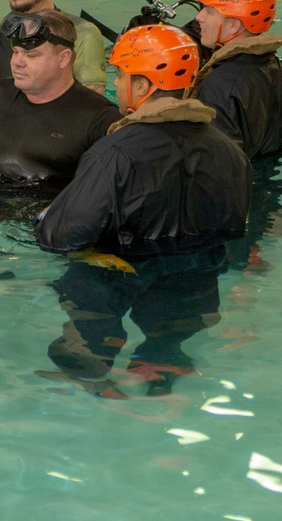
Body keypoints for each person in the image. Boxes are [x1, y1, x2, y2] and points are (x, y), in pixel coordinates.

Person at [35, 24, 251, 395]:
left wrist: (49, 215)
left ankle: (88, 375)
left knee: (88, 336)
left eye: (121, 76)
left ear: (143, 86)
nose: (116, 85)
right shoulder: (230, 151)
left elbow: (61, 236)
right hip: (197, 277)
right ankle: (162, 378)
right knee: (169, 342)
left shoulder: (116, 152)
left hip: (118, 275)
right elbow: (234, 227)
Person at [0, 10, 118, 192]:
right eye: (15, 52)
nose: (17, 62)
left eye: (32, 55)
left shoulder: (101, 119)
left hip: (41, 215)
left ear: (64, 58)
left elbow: (103, 191)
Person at [191, 0, 282, 161]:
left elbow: (217, 164)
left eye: (209, 10)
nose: (199, 17)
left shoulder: (220, 85)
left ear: (233, 25)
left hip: (241, 188)